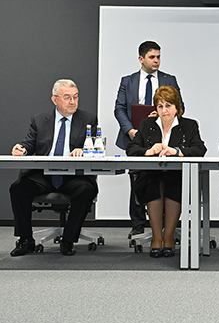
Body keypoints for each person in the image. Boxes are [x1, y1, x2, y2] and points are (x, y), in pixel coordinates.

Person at [9, 79, 98, 256]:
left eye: (76, 97)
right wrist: (22, 149)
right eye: (67, 97)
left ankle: (68, 240)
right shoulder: (39, 119)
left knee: (86, 190)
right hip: (44, 175)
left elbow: (95, 146)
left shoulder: (88, 119)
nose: (72, 102)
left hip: (73, 176)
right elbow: (30, 143)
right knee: (18, 188)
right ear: (55, 99)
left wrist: (84, 150)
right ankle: (26, 240)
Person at [114, 40, 185, 239]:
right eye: (152, 57)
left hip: (164, 138)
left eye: (158, 57)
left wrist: (162, 115)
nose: (156, 61)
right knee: (138, 179)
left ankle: (165, 225)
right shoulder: (127, 81)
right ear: (141, 59)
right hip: (136, 137)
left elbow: (180, 107)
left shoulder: (169, 79)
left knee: (166, 180)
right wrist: (130, 131)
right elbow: (119, 108)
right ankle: (138, 224)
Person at [126, 86, 206, 258]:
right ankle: (157, 237)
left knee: (172, 184)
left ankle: (168, 237)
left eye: (168, 105)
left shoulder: (189, 125)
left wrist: (176, 151)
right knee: (153, 184)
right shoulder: (147, 124)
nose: (164, 110)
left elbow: (200, 150)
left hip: (178, 176)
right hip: (150, 176)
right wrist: (148, 151)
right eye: (160, 106)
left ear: (177, 107)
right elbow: (131, 149)